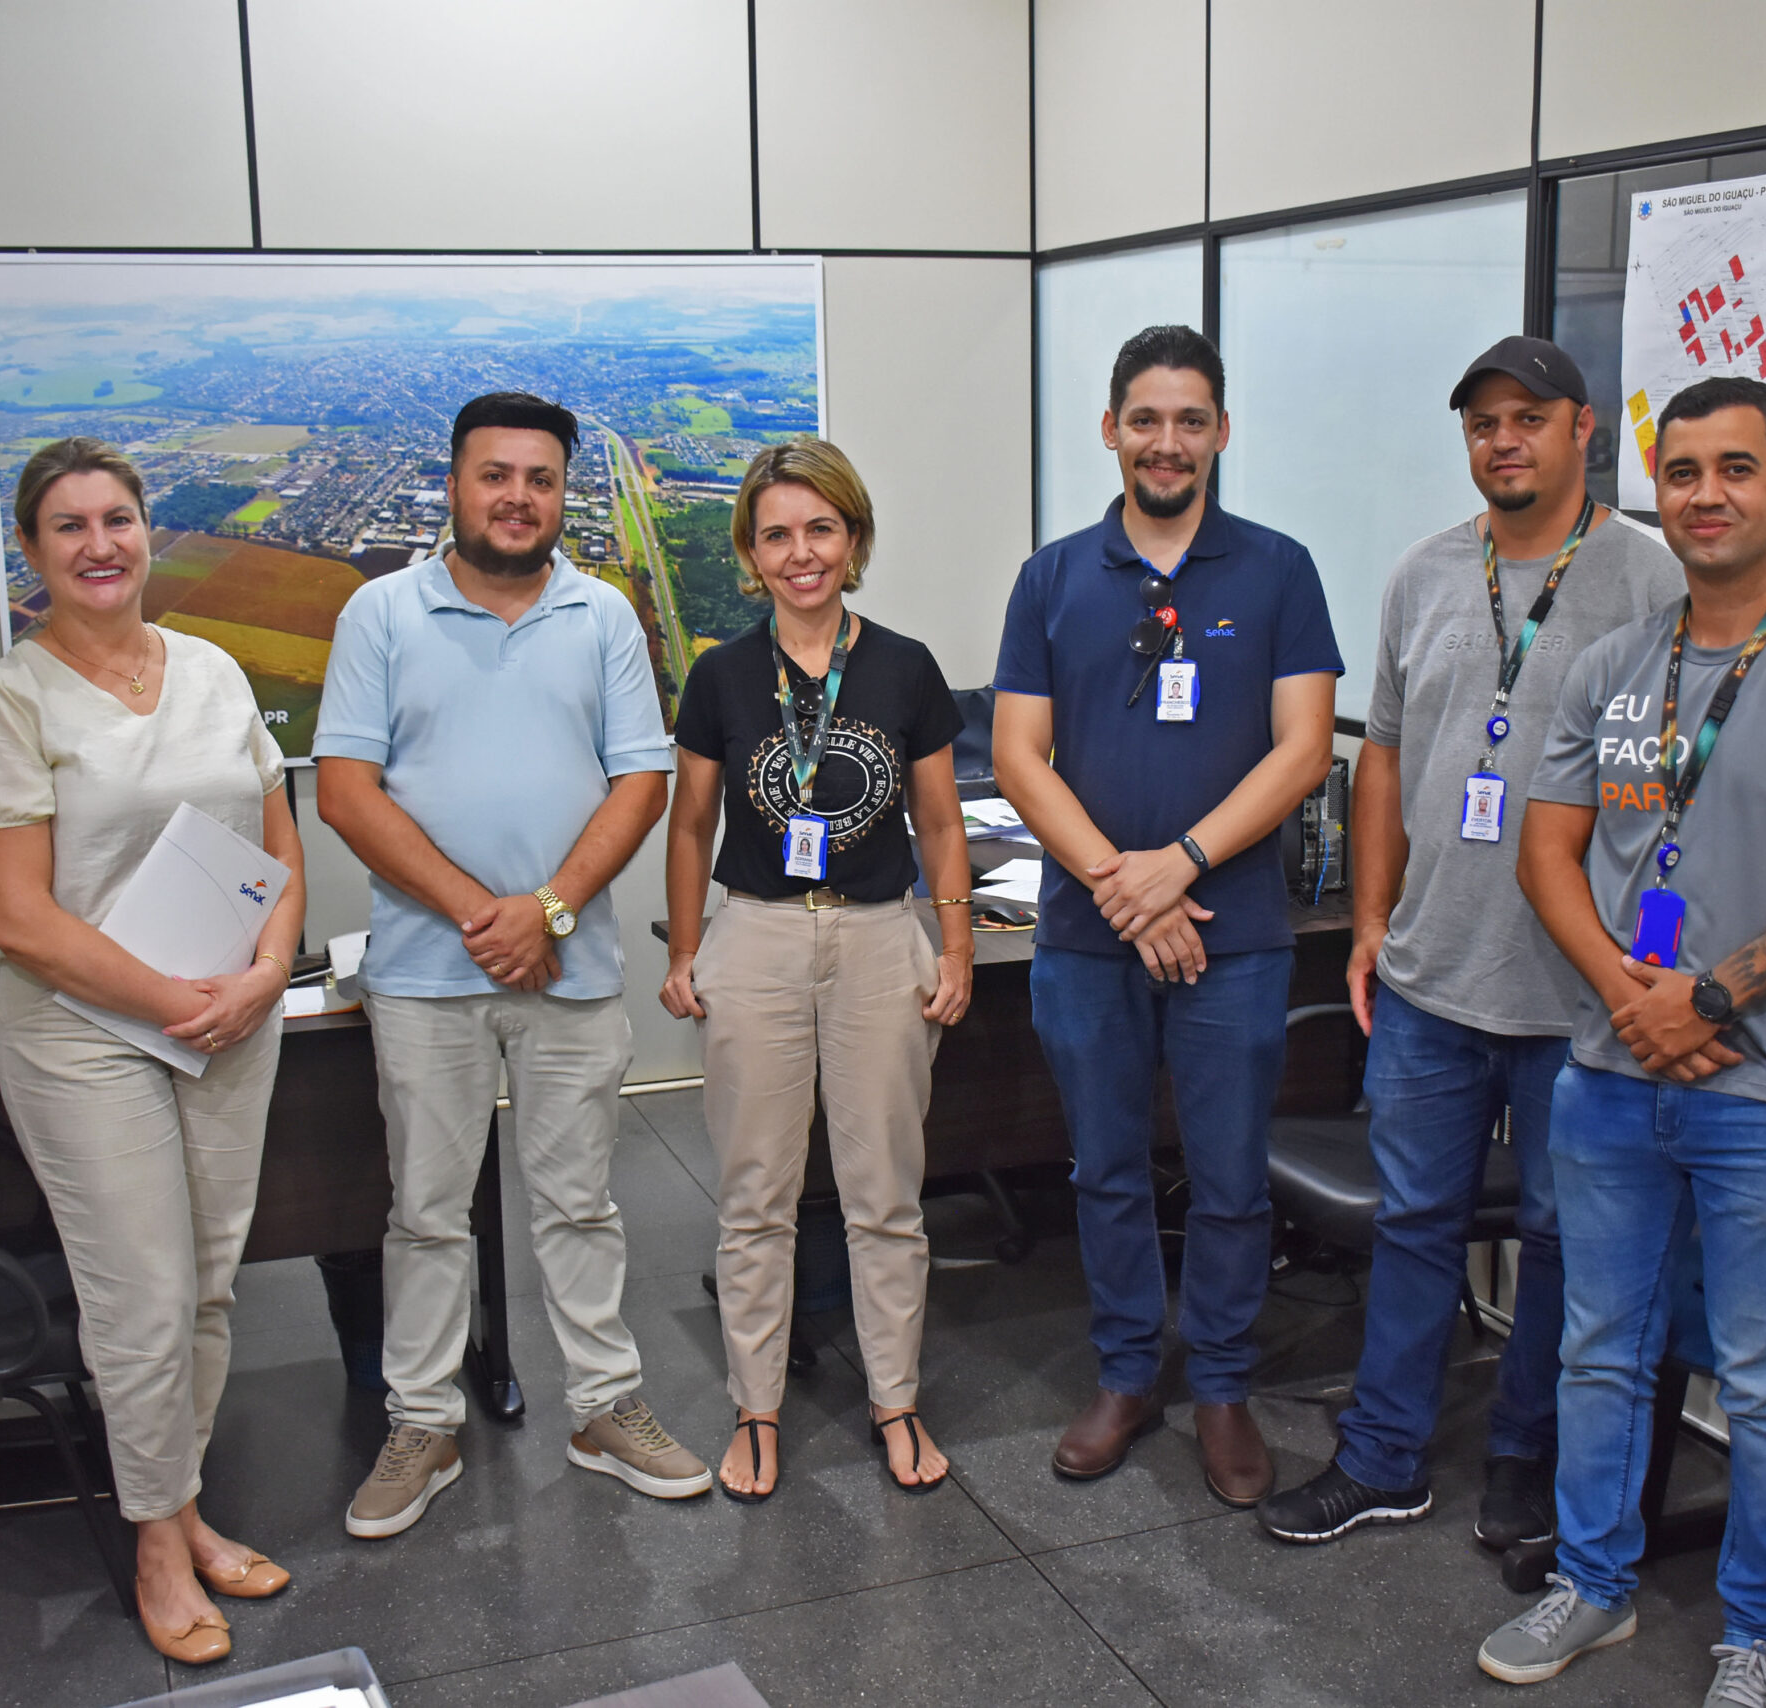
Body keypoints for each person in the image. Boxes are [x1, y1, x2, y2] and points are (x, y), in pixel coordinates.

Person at [1477, 377, 1766, 1707]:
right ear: (1654, 491)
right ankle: (1597, 1583)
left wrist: (1711, 998)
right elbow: (1549, 847)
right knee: (1600, 1351)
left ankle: (1764, 1635)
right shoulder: (1623, 662)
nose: (1706, 495)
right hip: (1614, 1078)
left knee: (1765, 1385)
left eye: (1736, 468)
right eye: (1681, 473)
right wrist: (1631, 998)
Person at [1257, 339, 1683, 1551]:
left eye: (1528, 418)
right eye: (1484, 422)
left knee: (1556, 1240)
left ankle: (1520, 1454)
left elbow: (1671, 799)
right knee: (1413, 1224)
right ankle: (1384, 1454)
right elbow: (1381, 754)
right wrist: (1374, 919)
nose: (1504, 440)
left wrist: (1645, 953)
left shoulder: (1645, 584)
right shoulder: (1427, 572)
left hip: (1577, 995)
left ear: (1581, 430)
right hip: (1432, 979)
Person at [314, 391, 708, 1539]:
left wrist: (546, 910)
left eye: (539, 478)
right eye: (495, 475)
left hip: (568, 968)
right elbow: (345, 791)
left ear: (562, 490)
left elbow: (642, 781)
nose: (518, 497)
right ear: (452, 484)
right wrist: (486, 913)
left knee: (581, 1204)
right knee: (428, 1212)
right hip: (425, 973)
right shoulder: (380, 612)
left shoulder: (603, 615)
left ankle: (604, 1407)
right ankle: (423, 1422)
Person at [0, 437, 305, 1666]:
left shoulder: (210, 669)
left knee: (207, 1284)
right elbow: (17, 917)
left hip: (225, 1019)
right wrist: (170, 999)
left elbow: (280, 847)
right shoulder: (12, 700)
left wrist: (263, 973)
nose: (100, 543)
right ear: (32, 552)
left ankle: (185, 1507)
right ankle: (158, 1544)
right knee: (140, 1302)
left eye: (118, 518)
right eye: (68, 526)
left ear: (149, 530)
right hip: (89, 1040)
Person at [993, 324, 1341, 1507]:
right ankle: (1128, 1372)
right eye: (1145, 418)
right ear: (1110, 430)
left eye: (1191, 419)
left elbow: (1302, 753)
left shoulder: (1278, 570)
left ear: (1221, 434)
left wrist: (1178, 864)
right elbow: (1018, 756)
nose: (1167, 441)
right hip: (1090, 939)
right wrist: (1122, 885)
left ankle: (1227, 1386)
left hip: (1229, 934)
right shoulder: (1052, 577)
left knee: (1231, 1175)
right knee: (1102, 1168)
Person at [660, 437, 974, 1500]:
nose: (802, 553)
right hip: (757, 936)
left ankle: (895, 1397)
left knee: (885, 1192)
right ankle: (756, 1406)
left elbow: (939, 818)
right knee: (756, 1193)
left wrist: (958, 943)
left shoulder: (905, 666)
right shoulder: (720, 674)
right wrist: (687, 947)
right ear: (751, 554)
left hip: (882, 936)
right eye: (777, 534)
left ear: (853, 537)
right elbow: (689, 821)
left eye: (820, 529)